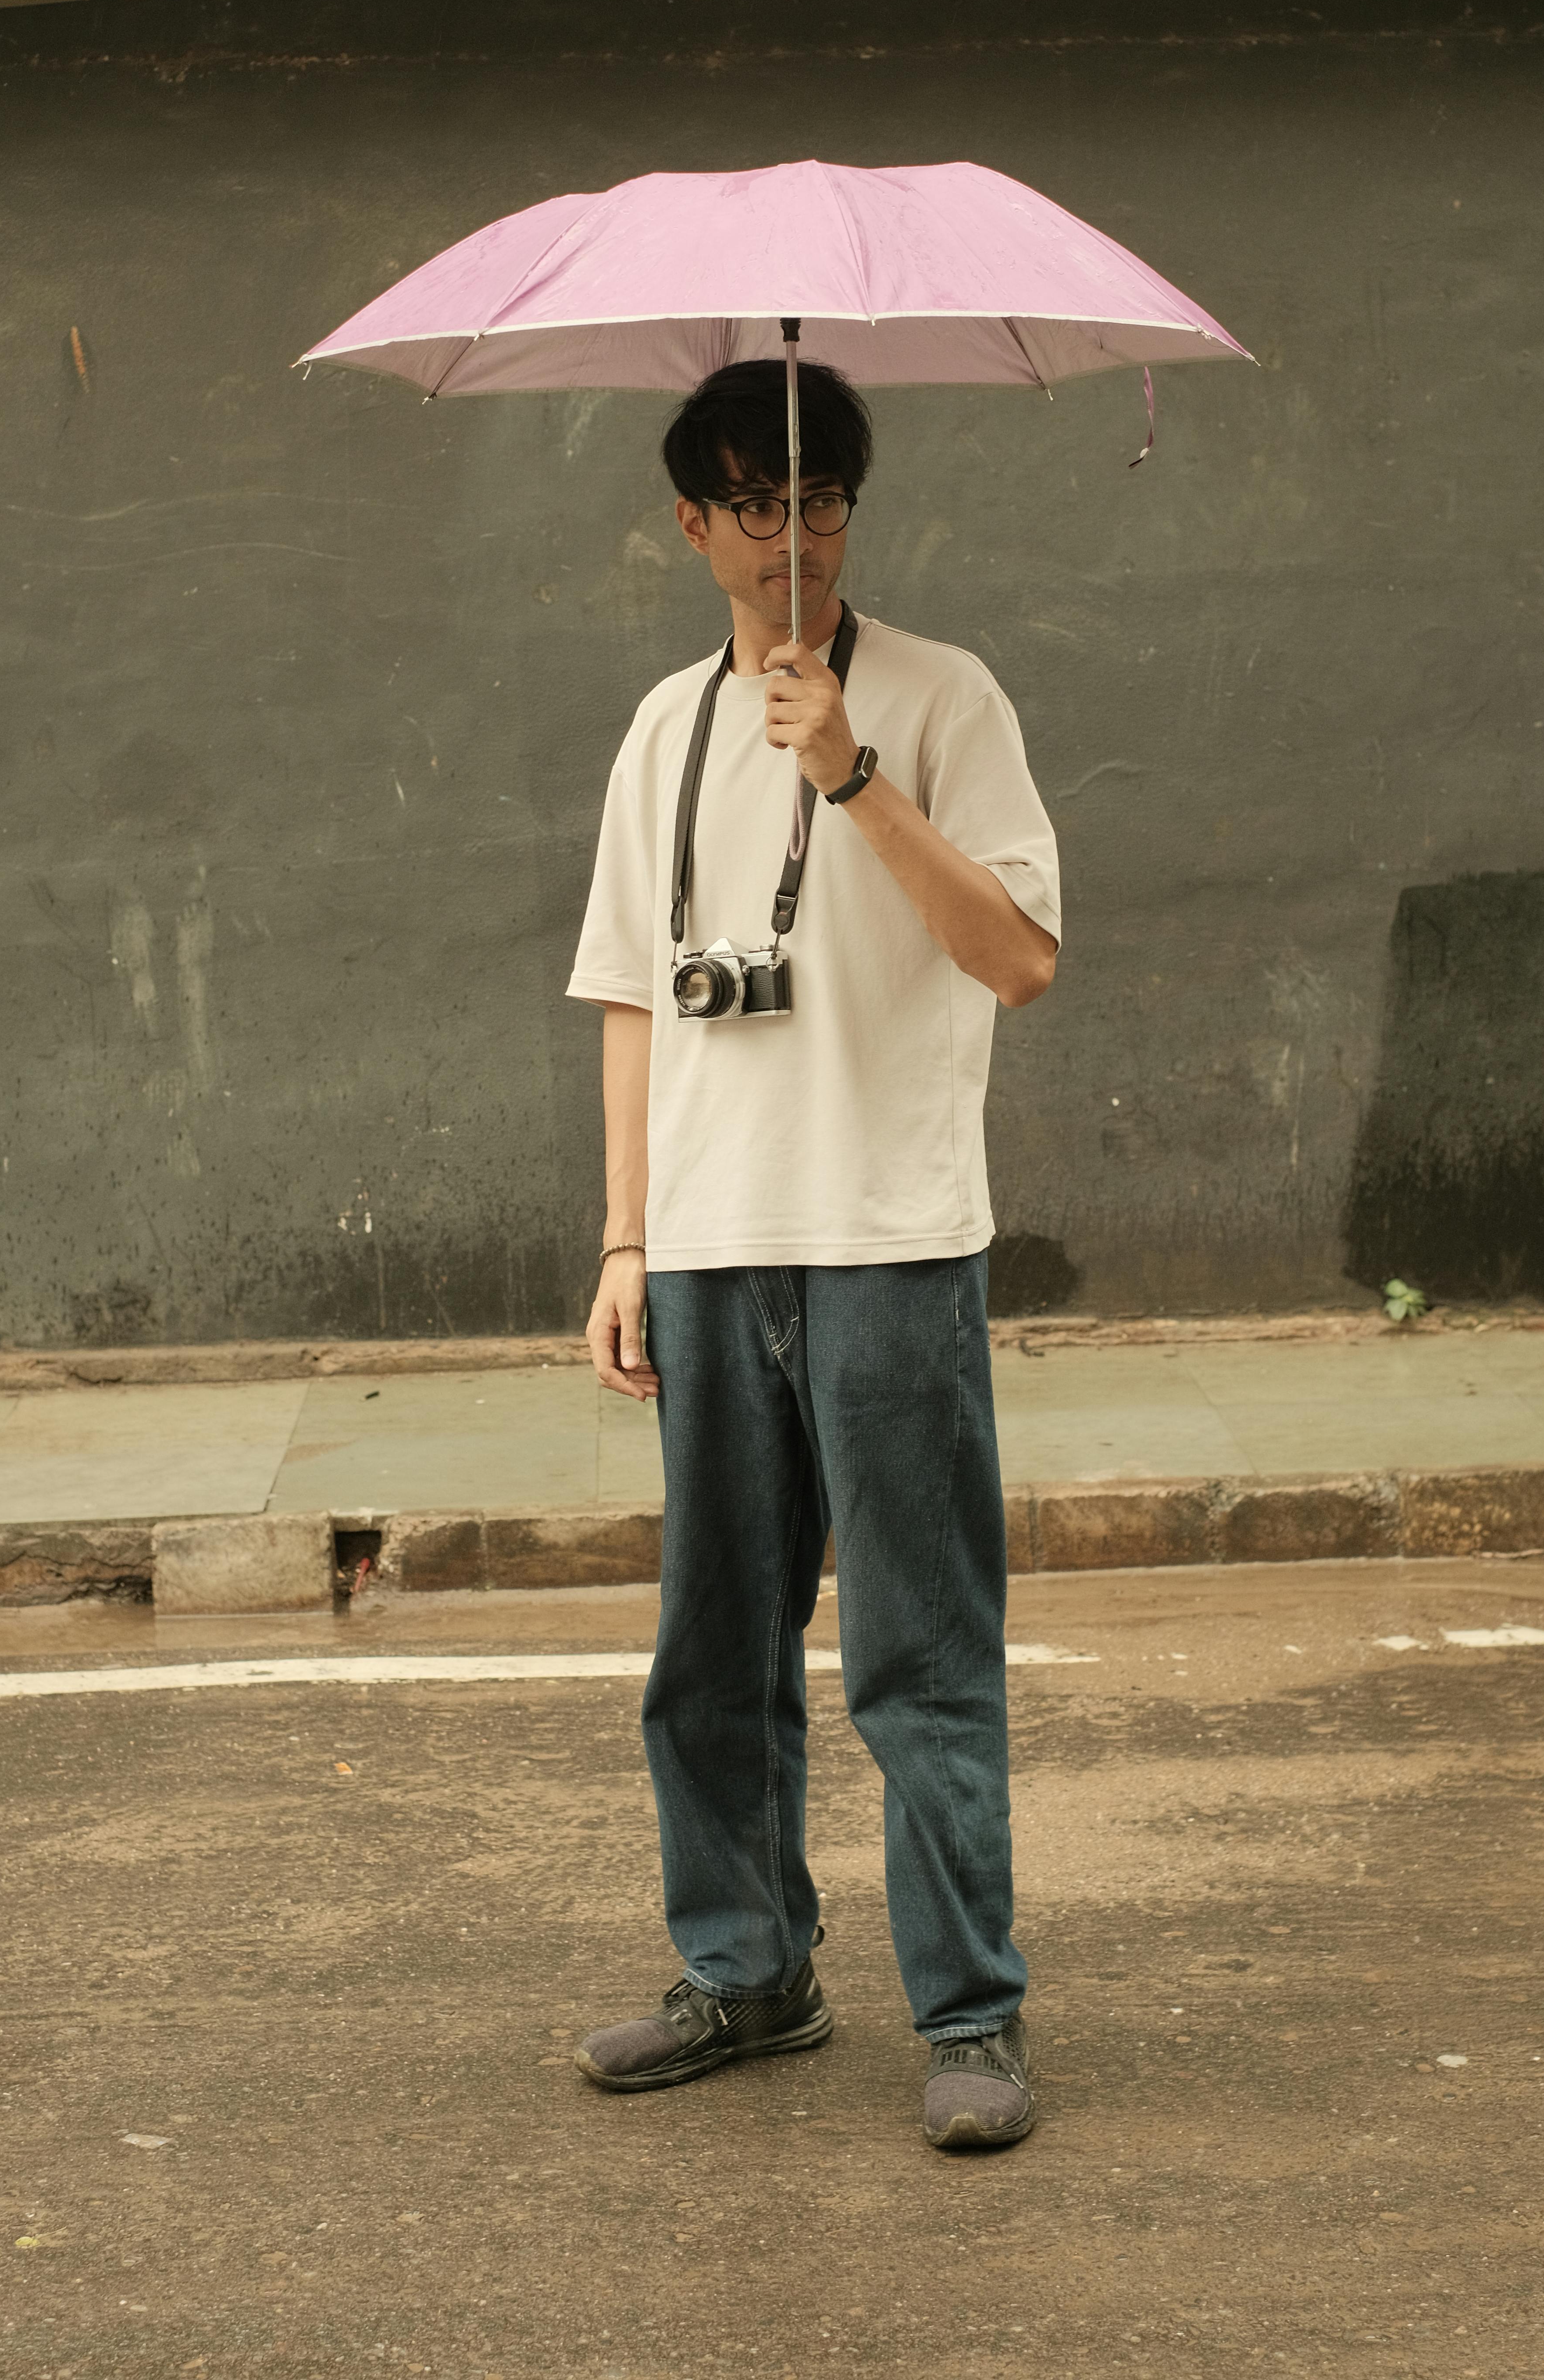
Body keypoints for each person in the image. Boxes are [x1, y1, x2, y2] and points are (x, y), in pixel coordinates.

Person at [566, 357, 1060, 2151]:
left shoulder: (941, 699)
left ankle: (970, 2014)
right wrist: (626, 1239)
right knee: (709, 1653)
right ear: (692, 524)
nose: (793, 538)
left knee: (919, 1652)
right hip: (706, 1246)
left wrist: (852, 778)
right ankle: (747, 1972)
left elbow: (1014, 955)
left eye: (823, 502)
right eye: (756, 507)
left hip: (884, 1243)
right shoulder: (659, 731)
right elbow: (629, 994)